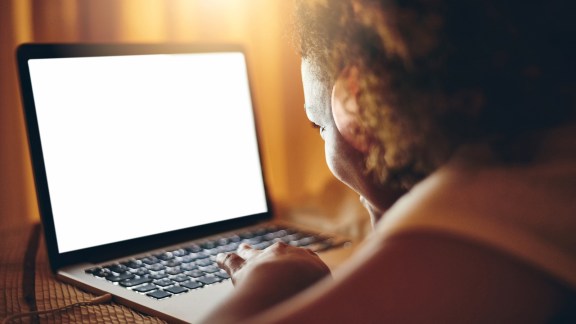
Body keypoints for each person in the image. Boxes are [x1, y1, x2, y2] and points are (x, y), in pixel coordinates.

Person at [201, 0, 576, 322]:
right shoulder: (544, 148)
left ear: (357, 105)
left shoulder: (490, 204)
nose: (321, 136)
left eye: (319, 125)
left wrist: (271, 282)